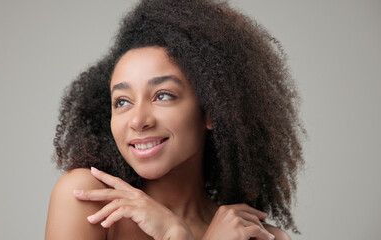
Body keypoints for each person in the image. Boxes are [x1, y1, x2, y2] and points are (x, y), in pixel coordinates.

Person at [45, 0, 304, 239]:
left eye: (162, 96)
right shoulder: (91, 201)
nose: (138, 120)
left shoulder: (253, 235)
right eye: (122, 101)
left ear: (211, 110)